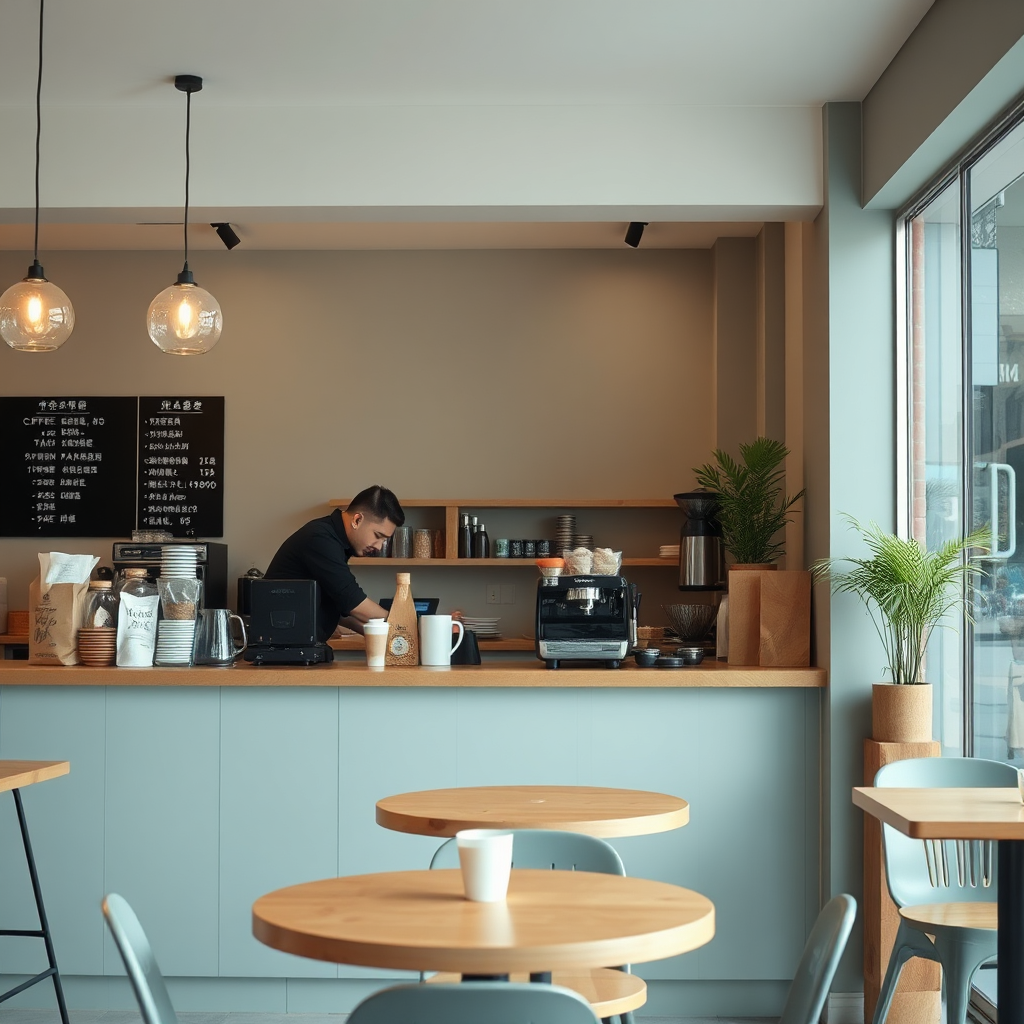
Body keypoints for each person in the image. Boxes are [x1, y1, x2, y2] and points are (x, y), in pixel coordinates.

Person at [265, 485, 405, 642]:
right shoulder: (320, 539)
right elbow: (352, 601)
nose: (379, 547)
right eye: (378, 536)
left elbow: (340, 607)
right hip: (282, 647)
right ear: (357, 520)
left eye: (384, 540)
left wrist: (379, 633)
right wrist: (404, 624)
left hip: (297, 645)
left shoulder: (334, 541)